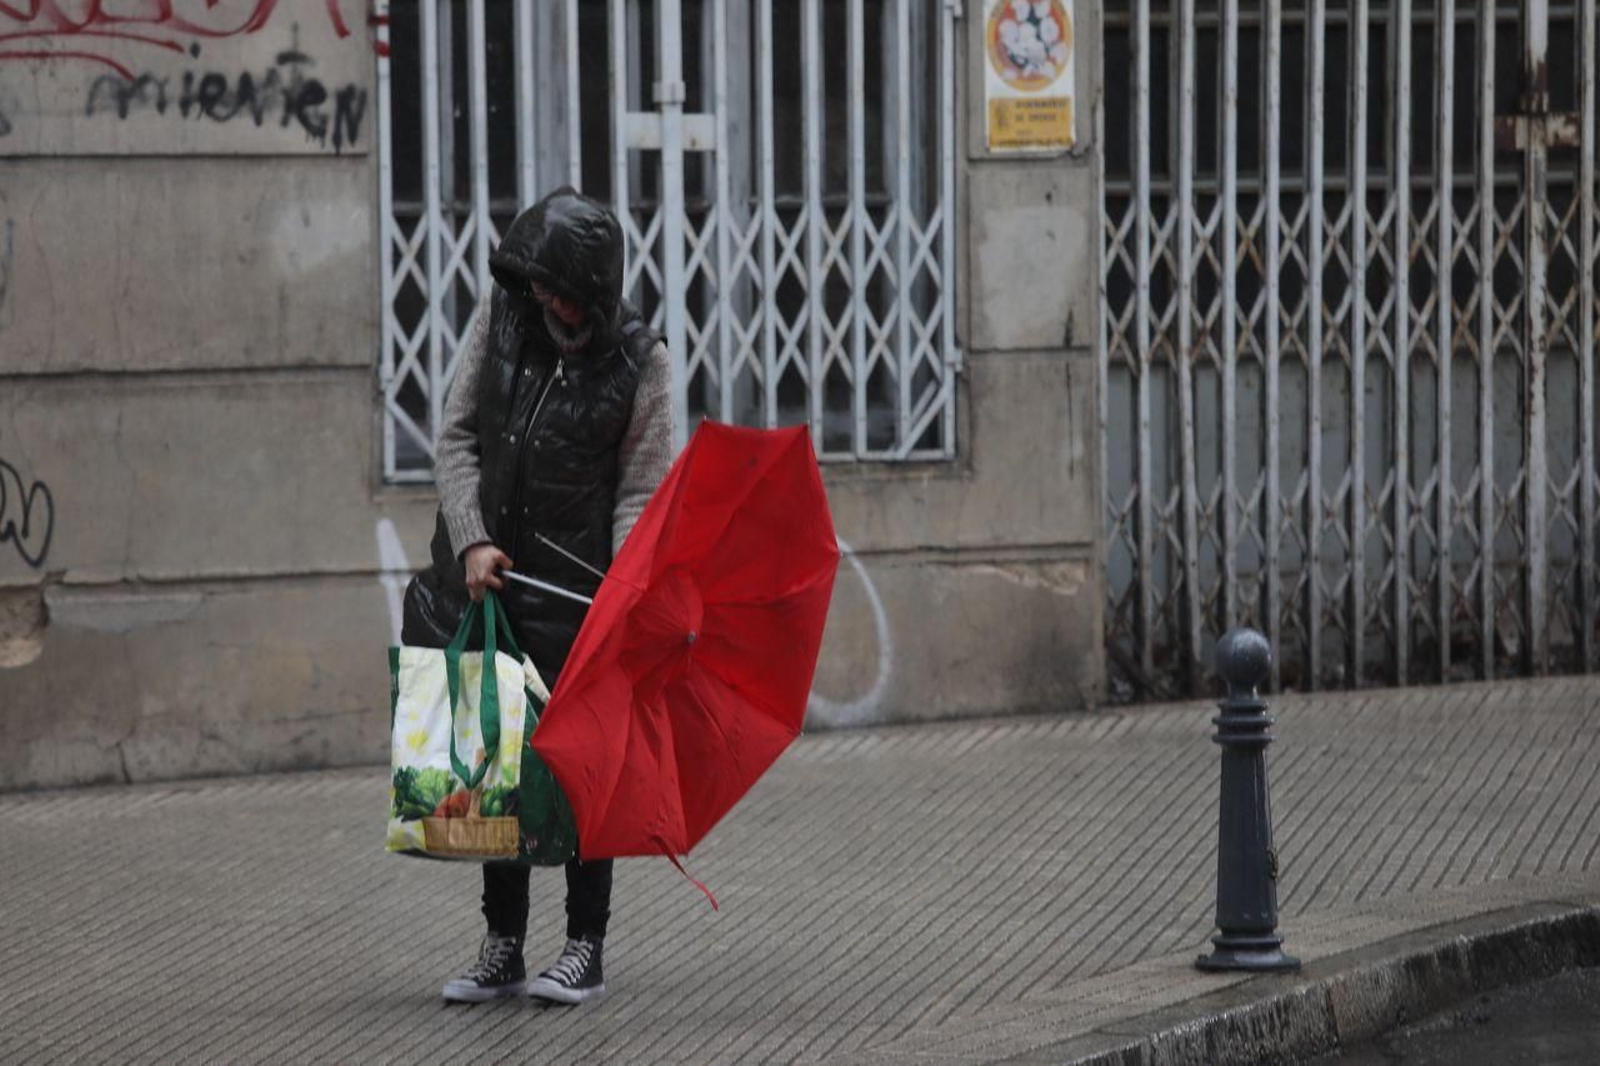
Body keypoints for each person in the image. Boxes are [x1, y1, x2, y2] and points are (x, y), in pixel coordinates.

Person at [400, 187, 675, 1005]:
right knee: (493, 769)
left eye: (564, 291)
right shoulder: (504, 317)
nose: (550, 303)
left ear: (594, 292)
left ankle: (584, 946)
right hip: (488, 583)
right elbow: (455, 435)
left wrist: (622, 589)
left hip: (581, 600)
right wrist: (471, 537)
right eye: (541, 286)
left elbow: (641, 491)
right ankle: (503, 944)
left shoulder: (641, 362)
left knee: (586, 774)